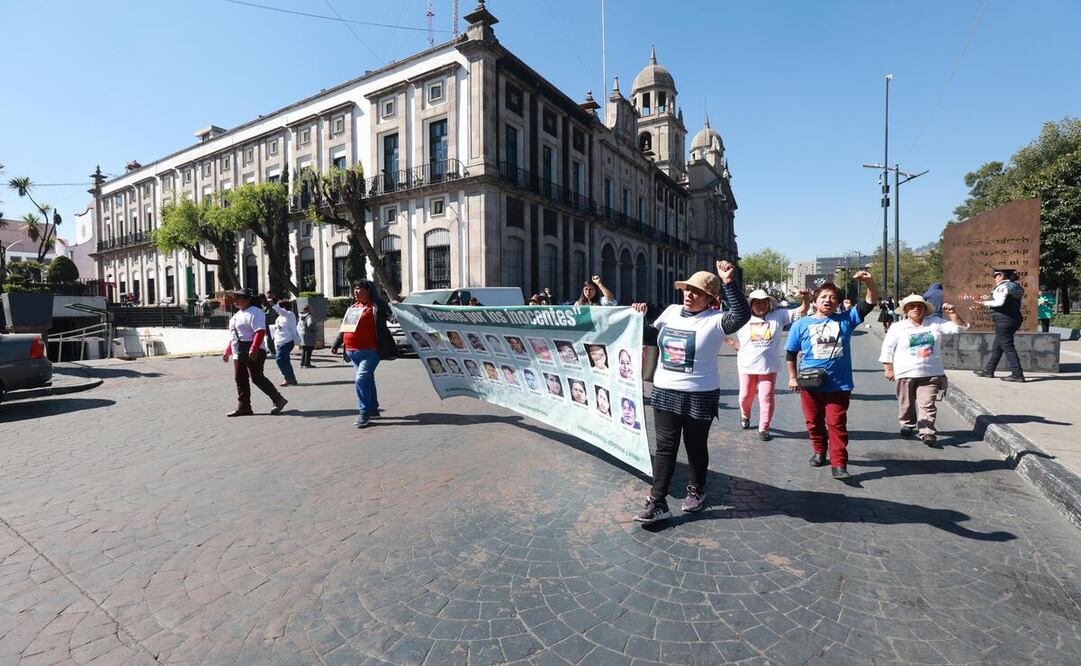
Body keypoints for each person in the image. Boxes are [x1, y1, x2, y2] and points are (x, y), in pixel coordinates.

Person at [629, 260, 751, 523]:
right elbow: (651, 337)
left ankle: (696, 490)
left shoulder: (717, 319)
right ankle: (657, 500)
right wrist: (638, 318)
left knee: (695, 446)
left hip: (700, 393)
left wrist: (729, 283)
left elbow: (742, 315)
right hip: (665, 390)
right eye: (687, 289)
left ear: (710, 298)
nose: (689, 294)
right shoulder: (671, 312)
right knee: (665, 447)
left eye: (696, 291)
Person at [785, 272, 879, 480]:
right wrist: (792, 377)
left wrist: (869, 282)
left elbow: (870, 302)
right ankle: (819, 450)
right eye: (824, 297)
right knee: (813, 421)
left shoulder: (846, 320)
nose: (828, 300)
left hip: (839, 385)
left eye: (833, 298)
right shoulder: (801, 324)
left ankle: (839, 463)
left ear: (837, 303)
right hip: (810, 383)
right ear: (816, 301)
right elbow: (791, 353)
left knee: (837, 424)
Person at [879, 295, 969, 446]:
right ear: (906, 310)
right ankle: (907, 423)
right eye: (912, 306)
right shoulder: (898, 327)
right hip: (905, 372)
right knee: (906, 403)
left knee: (927, 404)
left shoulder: (934, 323)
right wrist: (888, 368)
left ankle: (927, 432)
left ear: (925, 309)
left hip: (931, 373)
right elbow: (887, 348)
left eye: (919, 306)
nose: (916, 308)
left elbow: (959, 328)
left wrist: (953, 313)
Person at [725, 288, 810, 441]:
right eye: (757, 302)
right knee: (745, 396)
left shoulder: (778, 316)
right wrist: (732, 343)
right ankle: (745, 415)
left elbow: (802, 311)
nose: (761, 305)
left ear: (769, 303)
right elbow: (720, 326)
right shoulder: (742, 318)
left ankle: (764, 427)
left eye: (764, 302)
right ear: (750, 304)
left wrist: (806, 298)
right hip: (746, 366)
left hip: (769, 367)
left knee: (766, 397)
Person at [330, 280, 395, 428]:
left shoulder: (378, 306)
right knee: (367, 380)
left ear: (368, 291)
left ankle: (364, 412)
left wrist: (397, 307)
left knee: (361, 379)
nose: (355, 292)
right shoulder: (353, 307)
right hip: (353, 352)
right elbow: (344, 328)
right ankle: (373, 409)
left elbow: (392, 316)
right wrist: (336, 344)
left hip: (371, 351)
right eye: (355, 289)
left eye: (358, 289)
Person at [222, 288, 288, 417]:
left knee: (257, 377)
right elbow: (234, 336)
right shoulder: (236, 316)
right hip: (238, 350)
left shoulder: (255, 312)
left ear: (247, 299)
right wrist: (227, 351)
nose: (235, 300)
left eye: (238, 298)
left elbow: (260, 332)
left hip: (253, 349)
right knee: (240, 379)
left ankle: (278, 399)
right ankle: (244, 407)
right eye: (234, 298)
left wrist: (254, 349)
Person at [975, 268, 1026, 382]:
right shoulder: (1016, 286)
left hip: (1004, 320)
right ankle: (989, 370)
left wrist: (985, 303)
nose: (994, 278)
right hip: (1014, 318)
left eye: (995, 276)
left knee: (1008, 347)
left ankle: (1017, 374)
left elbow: (999, 302)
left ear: (1001, 276)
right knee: (997, 346)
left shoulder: (1003, 287)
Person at [269, 298, 299, 386]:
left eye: (279, 308)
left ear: (283, 307)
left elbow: (281, 311)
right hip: (278, 341)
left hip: (287, 341)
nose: (276, 310)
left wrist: (273, 304)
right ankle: (292, 379)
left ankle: (287, 378)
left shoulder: (289, 314)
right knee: (285, 361)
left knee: (279, 359)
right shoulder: (279, 317)